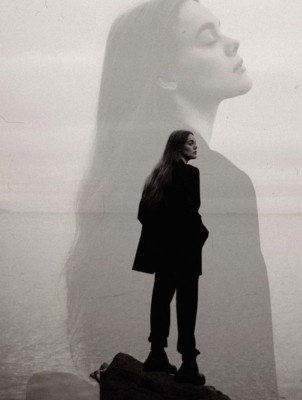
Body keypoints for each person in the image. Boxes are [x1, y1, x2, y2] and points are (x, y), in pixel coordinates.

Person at [65, 0, 279, 398]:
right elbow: (252, 371)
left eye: (221, 29)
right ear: (164, 75)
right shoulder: (224, 182)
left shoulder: (118, 176)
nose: (232, 43)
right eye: (208, 38)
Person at [132, 130, 209, 385]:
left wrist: (165, 236)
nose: (196, 147)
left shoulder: (156, 175)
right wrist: (202, 233)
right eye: (190, 143)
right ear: (178, 148)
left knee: (161, 300)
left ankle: (156, 355)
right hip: (185, 251)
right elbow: (190, 211)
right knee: (187, 306)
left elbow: (144, 215)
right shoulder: (190, 173)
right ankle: (189, 363)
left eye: (195, 142)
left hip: (164, 253)